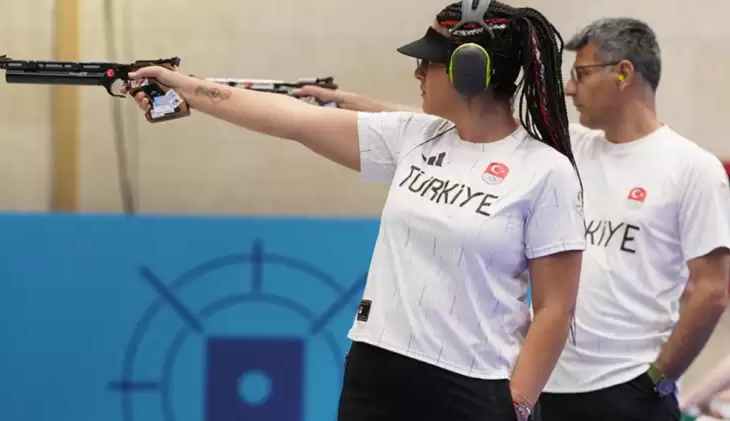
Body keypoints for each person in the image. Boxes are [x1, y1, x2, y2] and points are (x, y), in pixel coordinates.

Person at [125, 1, 586, 420]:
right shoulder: (413, 137)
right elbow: (291, 120)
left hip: (474, 385)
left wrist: (516, 404)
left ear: (469, 71)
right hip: (376, 371)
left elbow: (555, 308)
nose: (417, 73)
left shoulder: (546, 172)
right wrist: (188, 88)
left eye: (427, 62)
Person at [295, 15, 730, 421]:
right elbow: (444, 125)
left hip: (626, 388)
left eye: (581, 74)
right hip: (542, 384)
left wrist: (657, 379)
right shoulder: (562, 149)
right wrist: (349, 104)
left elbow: (712, 290)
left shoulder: (692, 169)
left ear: (624, 73)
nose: (569, 89)